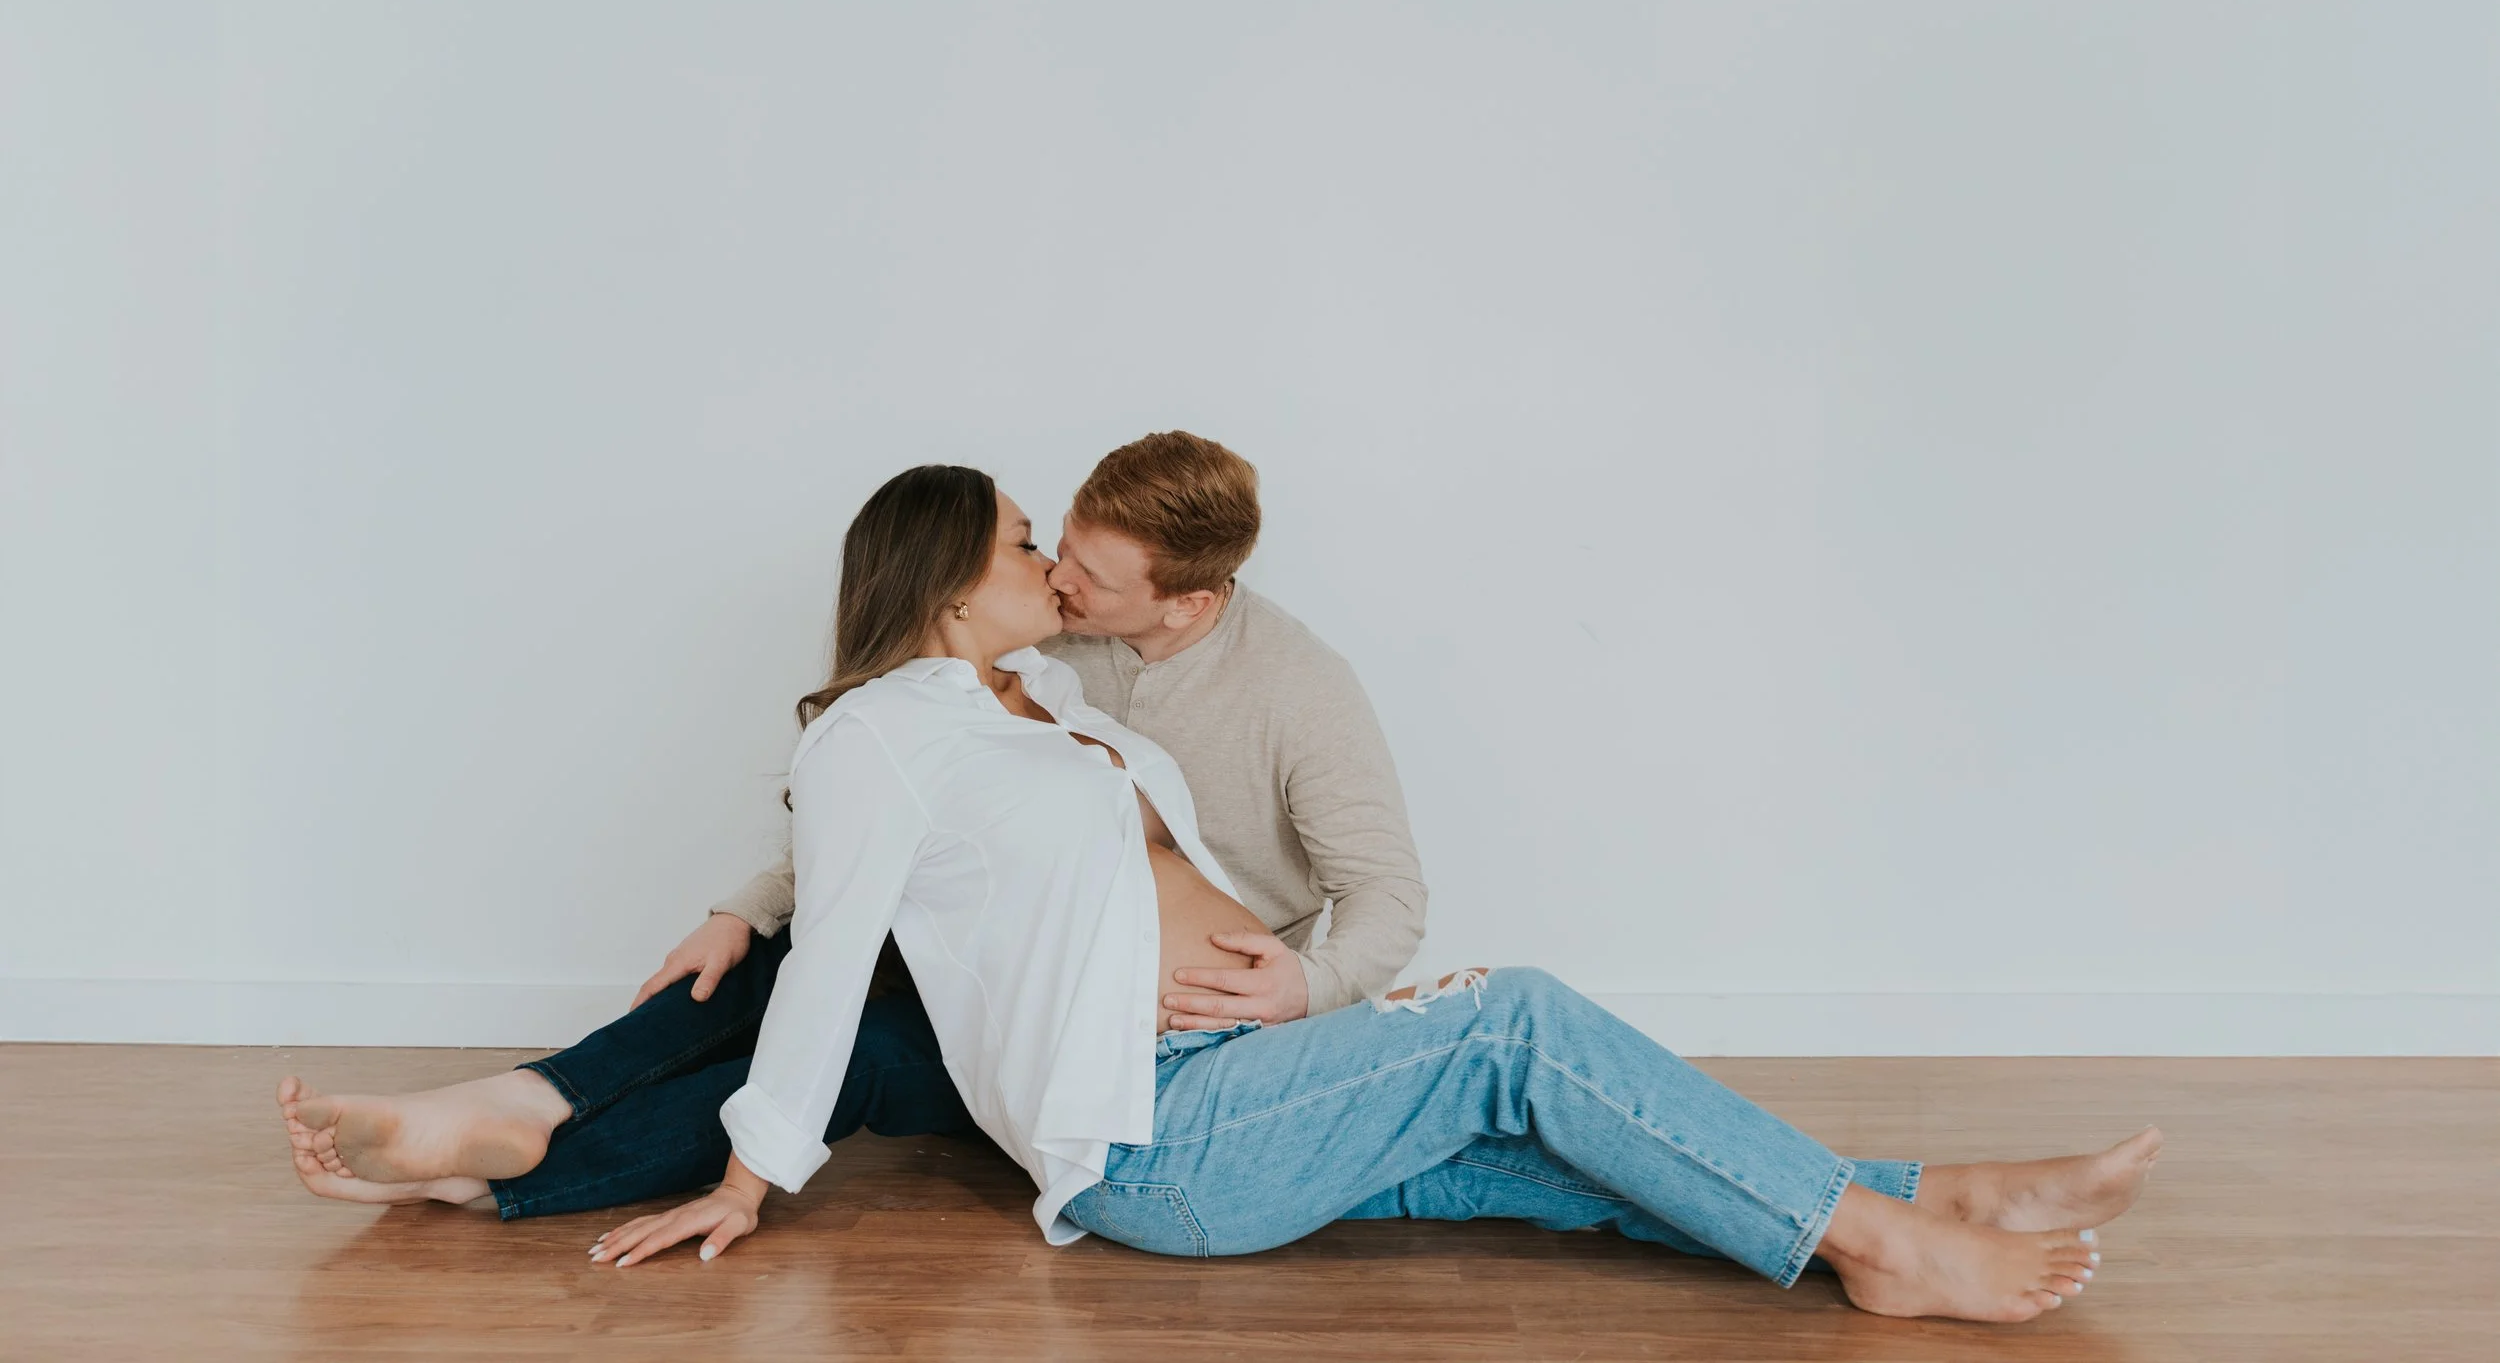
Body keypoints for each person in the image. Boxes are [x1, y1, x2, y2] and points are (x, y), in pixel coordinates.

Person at [404, 464, 2156, 1324]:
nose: (1049, 555)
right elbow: (835, 940)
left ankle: (1929, 1187)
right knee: (1520, 1014)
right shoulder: (877, 731)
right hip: (1162, 1131)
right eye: (1020, 535)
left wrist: (1322, 994)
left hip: (1235, 1085)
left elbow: (1225, 864)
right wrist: (750, 1168)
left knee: (1553, 1148)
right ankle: (1879, 1245)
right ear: (944, 582)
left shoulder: (1046, 709)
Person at [278, 433, 1431, 1219]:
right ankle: (523, 1106)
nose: (1063, 579)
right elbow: (902, 798)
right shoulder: (1042, 648)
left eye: (1086, 570)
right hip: (1015, 960)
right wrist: (749, 901)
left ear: (1187, 601)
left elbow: (1388, 897)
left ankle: (514, 1173)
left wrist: (1305, 987)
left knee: (865, 1044)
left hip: (1170, 1013)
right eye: (1052, 543)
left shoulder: (1287, 687)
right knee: (790, 956)